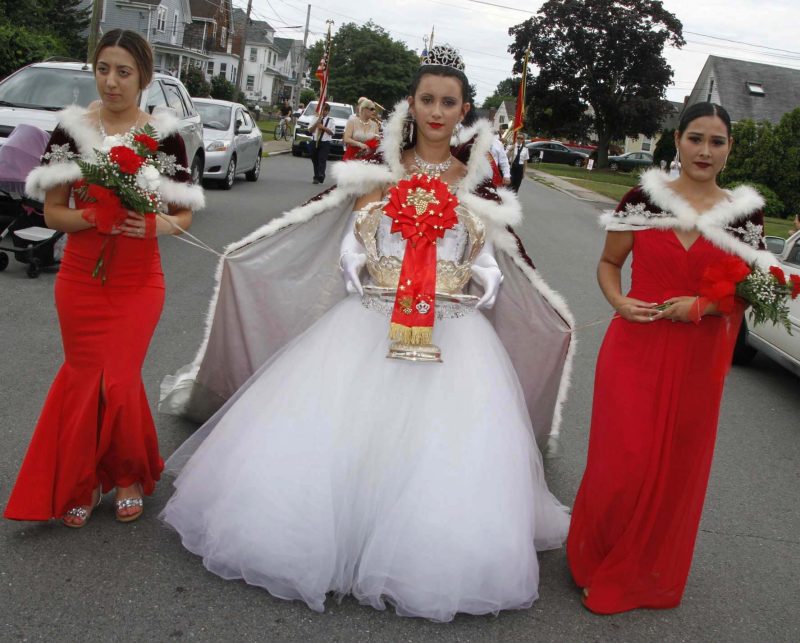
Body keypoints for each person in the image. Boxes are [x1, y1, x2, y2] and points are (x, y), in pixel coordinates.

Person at [158, 44, 573, 622]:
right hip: (371, 320)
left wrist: (469, 289)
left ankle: (415, 553)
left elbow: (492, 266)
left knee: (443, 448)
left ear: (464, 111)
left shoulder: (477, 186)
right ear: (414, 104)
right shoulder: (380, 173)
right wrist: (370, 278)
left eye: (448, 102)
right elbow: (350, 247)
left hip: (452, 331)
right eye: (426, 99)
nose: (436, 111)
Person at [567, 102, 774, 615]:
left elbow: (752, 291)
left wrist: (704, 305)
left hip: (699, 356)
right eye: (696, 138)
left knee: (675, 467)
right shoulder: (643, 199)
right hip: (635, 343)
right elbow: (610, 263)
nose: (705, 151)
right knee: (624, 460)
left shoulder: (744, 214)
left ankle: (642, 570)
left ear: (729, 150)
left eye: (717, 142)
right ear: (676, 140)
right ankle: (599, 555)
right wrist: (618, 301)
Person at [4, 29, 205, 527]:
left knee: (116, 379)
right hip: (79, 278)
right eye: (103, 69)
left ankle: (127, 474)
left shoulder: (165, 136)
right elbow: (52, 214)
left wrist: (150, 222)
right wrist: (94, 217)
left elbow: (183, 216)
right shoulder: (70, 132)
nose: (111, 82)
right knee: (83, 377)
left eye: (123, 72)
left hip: (139, 281)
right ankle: (84, 479)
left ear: (144, 78)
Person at [308, 102, 333, 184]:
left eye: (325, 110)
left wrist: (323, 127)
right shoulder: (315, 118)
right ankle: (316, 175)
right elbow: (310, 130)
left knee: (322, 159)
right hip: (314, 141)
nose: (323, 112)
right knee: (315, 159)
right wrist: (317, 123)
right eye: (322, 110)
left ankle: (320, 175)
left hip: (325, 142)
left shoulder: (331, 121)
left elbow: (332, 132)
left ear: (328, 111)